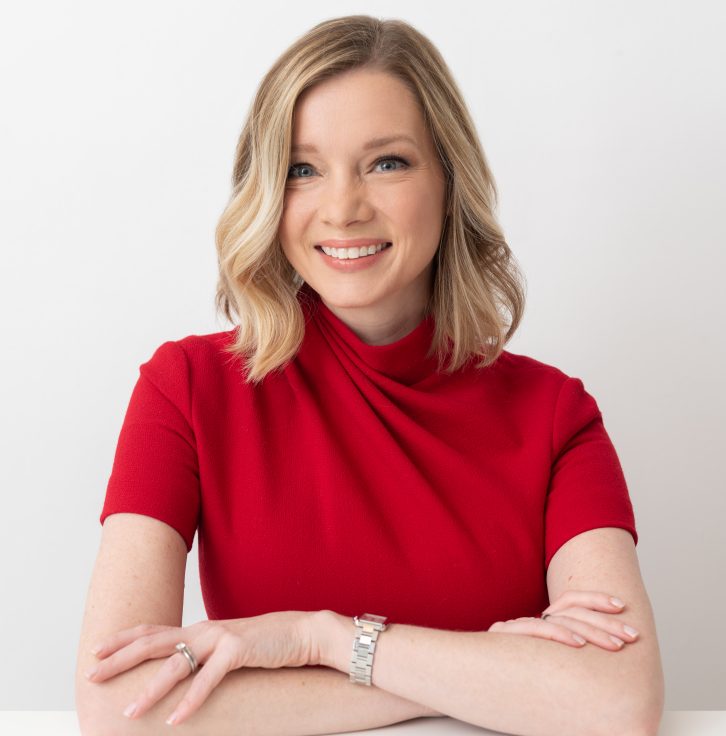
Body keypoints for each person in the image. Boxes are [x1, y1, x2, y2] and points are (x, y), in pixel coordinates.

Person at [75, 14, 665, 736]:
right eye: (302, 168)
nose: (344, 207)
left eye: (387, 162)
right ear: (268, 191)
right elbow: (119, 707)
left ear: (449, 182)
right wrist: (477, 678)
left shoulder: (555, 416)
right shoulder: (187, 389)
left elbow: (616, 702)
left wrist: (321, 640)